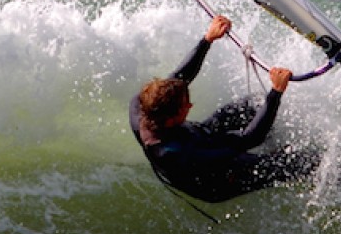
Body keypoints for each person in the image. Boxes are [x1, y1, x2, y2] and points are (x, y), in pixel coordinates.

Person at [129, 15, 321, 203]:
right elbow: (249, 138)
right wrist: (276, 92)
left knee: (252, 105)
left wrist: (207, 39)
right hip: (221, 179)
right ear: (171, 119)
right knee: (302, 162)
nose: (190, 105)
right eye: (185, 106)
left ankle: (274, 140)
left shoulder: (142, 103)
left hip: (198, 136)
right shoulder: (176, 154)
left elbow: (180, 78)